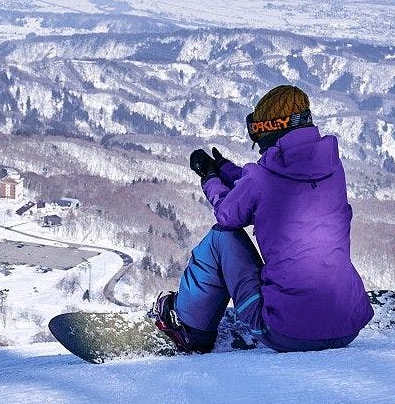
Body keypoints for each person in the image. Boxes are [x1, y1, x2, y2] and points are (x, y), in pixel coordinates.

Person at [153, 84, 373, 353]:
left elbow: (228, 214)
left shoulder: (261, 179)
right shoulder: (333, 169)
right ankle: (325, 307)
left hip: (285, 331)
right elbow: (268, 186)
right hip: (347, 327)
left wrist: (209, 177)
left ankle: (189, 327)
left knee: (221, 237)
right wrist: (225, 169)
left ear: (269, 130)